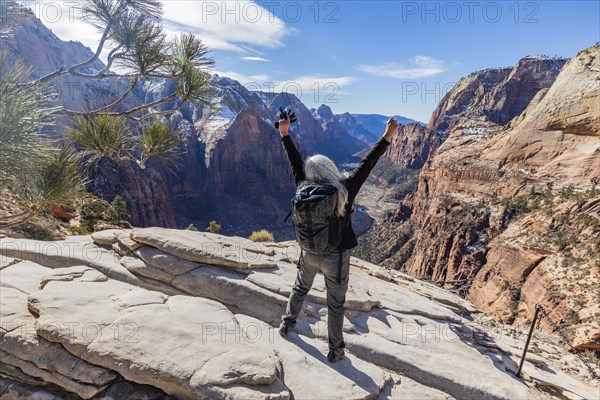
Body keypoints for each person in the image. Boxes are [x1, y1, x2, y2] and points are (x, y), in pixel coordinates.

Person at [277, 114, 399, 362]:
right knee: (335, 303)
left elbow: (294, 161)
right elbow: (367, 163)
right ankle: (335, 350)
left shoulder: (302, 185)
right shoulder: (345, 188)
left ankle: (287, 325)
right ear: (331, 169)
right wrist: (387, 137)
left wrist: (284, 134)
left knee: (300, 287)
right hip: (336, 255)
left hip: (308, 251)